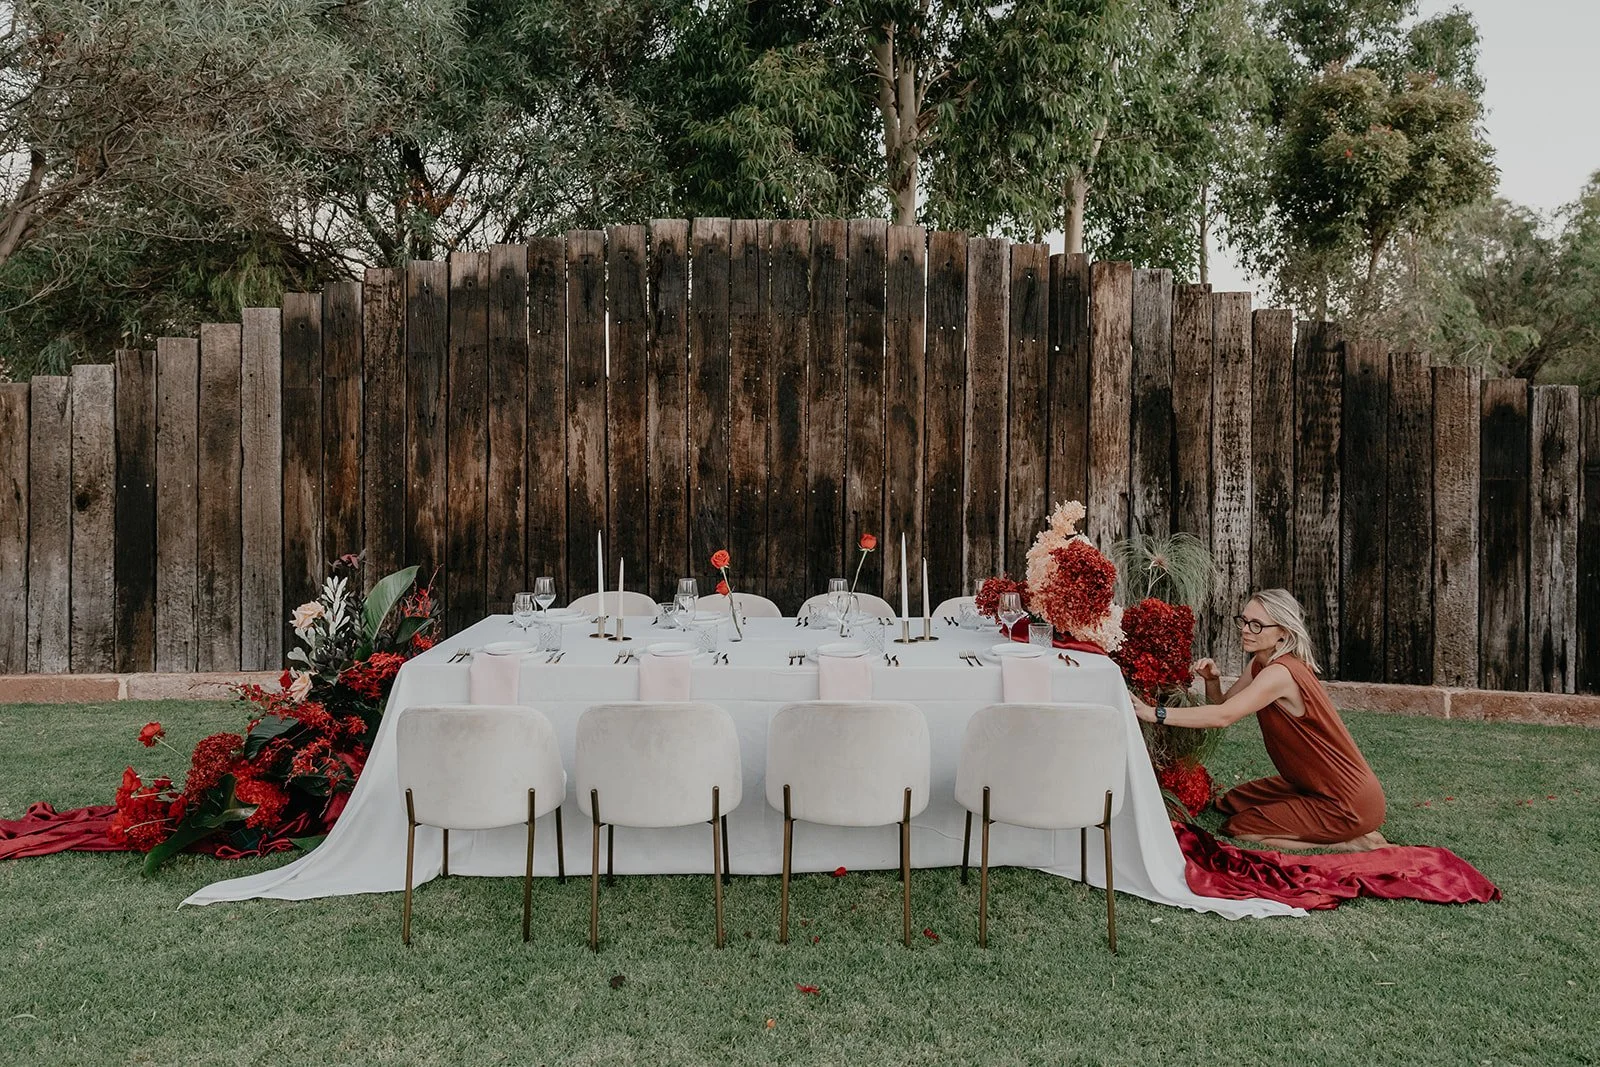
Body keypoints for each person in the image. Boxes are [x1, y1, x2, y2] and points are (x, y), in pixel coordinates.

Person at [1131, 588, 1388, 853]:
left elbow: (1222, 718)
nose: (1245, 630)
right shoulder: (1259, 664)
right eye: (1244, 621)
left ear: (1283, 633)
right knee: (1231, 802)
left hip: (1347, 801)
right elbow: (1222, 705)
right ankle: (1322, 820)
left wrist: (1155, 714)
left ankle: (1349, 841)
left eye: (1257, 625)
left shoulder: (1280, 674)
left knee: (1242, 827)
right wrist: (1212, 681)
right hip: (1308, 785)